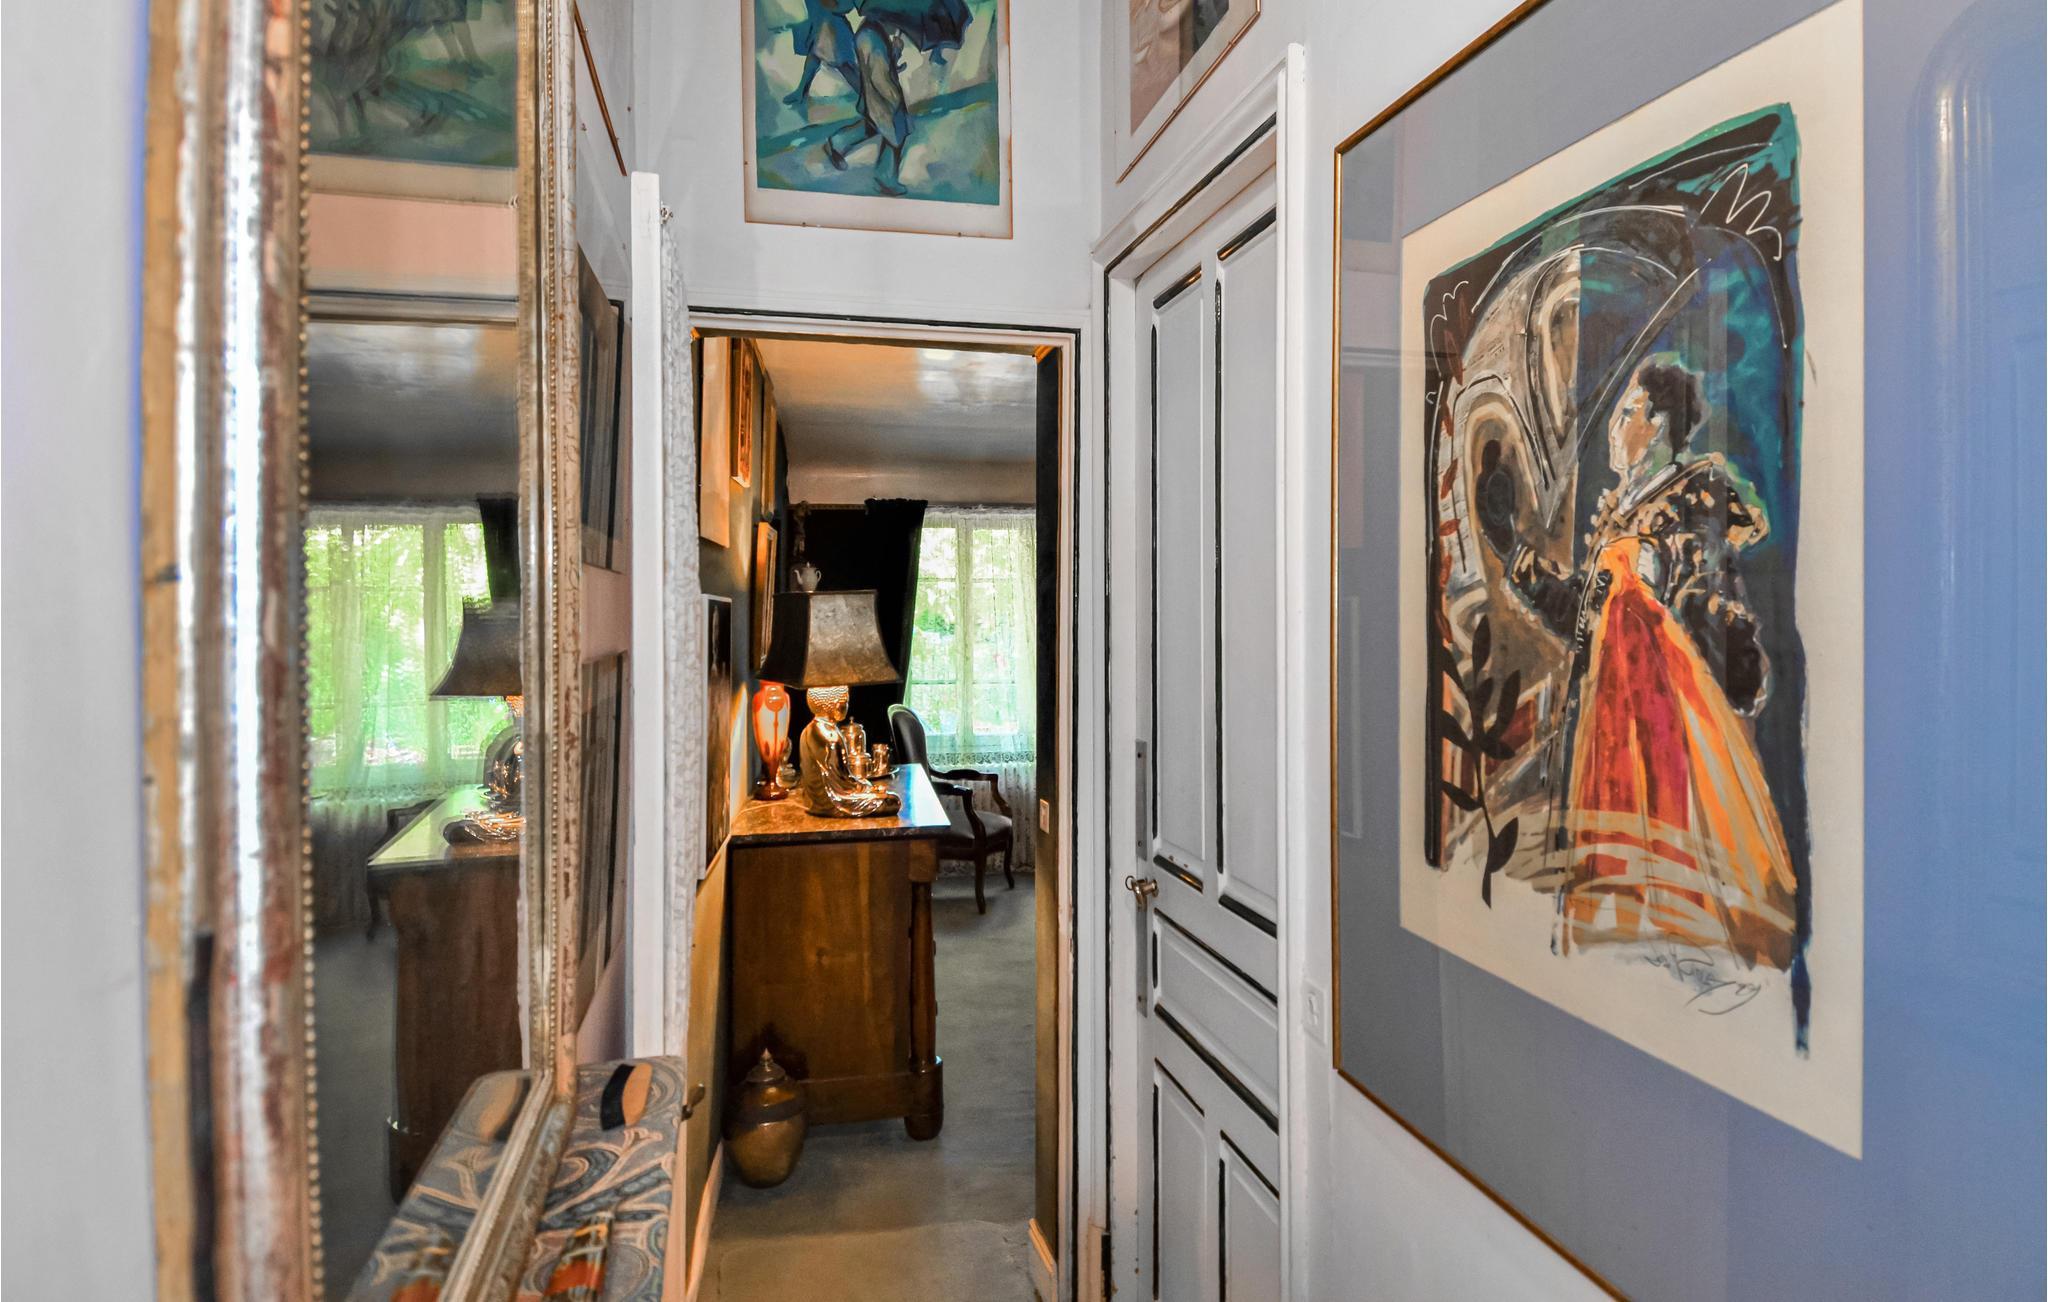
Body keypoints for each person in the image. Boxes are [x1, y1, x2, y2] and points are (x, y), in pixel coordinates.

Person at [1507, 355, 1798, 976]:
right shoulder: (1620, 508)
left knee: (1670, 864)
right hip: (1606, 715)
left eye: (1627, 414)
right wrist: (1530, 575)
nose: (1616, 429)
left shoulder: (1694, 495)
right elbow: (1586, 621)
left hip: (1665, 720)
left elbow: (1710, 605)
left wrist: (1671, 594)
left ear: (1659, 423)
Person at [825, 16, 913, 196]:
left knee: (873, 126)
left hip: (874, 97)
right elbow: (879, 77)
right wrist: (894, 97)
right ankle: (886, 177)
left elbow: (882, 66)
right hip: (882, 98)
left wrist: (895, 52)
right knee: (896, 131)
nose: (897, 24)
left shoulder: (871, 31)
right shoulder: (873, 37)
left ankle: (838, 142)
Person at [781, 0, 859, 111]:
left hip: (831, 22)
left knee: (842, 63)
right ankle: (801, 91)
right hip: (818, 17)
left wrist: (834, 5)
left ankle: (866, 94)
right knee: (815, 53)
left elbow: (845, 5)